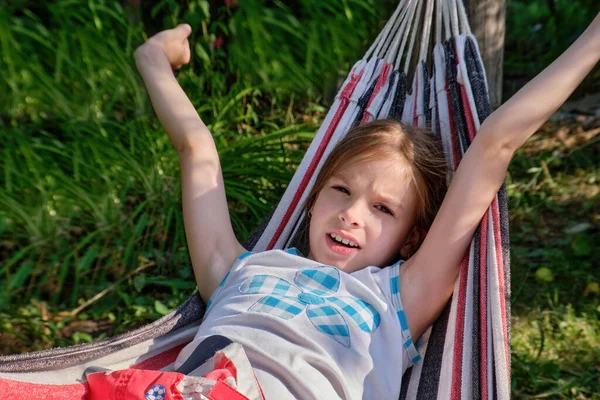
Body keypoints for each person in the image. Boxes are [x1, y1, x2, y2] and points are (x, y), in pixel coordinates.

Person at [133, 14, 600, 399]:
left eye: (383, 210)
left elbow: (495, 144)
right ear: (313, 199)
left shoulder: (399, 297)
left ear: (412, 239)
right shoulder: (237, 269)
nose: (352, 213)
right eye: (340, 190)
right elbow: (197, 150)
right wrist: (154, 61)